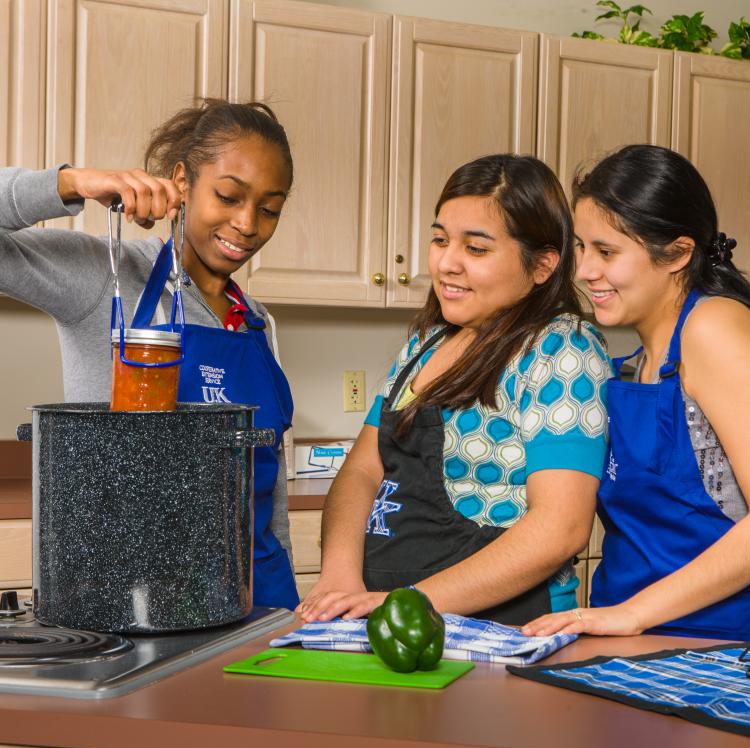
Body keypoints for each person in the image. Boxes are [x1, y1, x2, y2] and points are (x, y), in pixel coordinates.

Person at [0, 99, 299, 610]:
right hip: (128, 605)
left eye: (269, 209)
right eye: (228, 196)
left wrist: (290, 612)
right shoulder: (105, 277)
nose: (248, 224)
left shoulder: (257, 322)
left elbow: (268, 498)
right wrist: (70, 183)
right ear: (182, 181)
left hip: (254, 605)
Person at [298, 154, 612, 624]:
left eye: (477, 249)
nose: (447, 263)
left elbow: (560, 529)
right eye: (440, 240)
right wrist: (340, 577)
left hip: (494, 625)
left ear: (543, 265)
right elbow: (362, 468)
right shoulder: (426, 344)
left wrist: (407, 603)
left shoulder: (561, 349)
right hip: (387, 612)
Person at [523, 144, 750, 641]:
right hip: (626, 639)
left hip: (715, 648)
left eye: (606, 252)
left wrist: (634, 613)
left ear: (679, 254)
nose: (583, 271)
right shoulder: (632, 367)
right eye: (581, 248)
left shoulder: (713, 327)